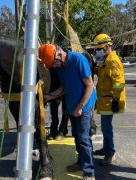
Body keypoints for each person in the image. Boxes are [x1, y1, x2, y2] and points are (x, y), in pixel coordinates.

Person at [39, 44, 97, 180]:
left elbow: (90, 85)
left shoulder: (78, 60)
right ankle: (80, 163)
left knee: (84, 139)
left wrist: (80, 107)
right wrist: (49, 96)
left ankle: (89, 173)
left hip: (85, 105)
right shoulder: (60, 67)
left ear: (59, 55)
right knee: (77, 136)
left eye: (54, 64)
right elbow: (64, 88)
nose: (55, 67)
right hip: (73, 106)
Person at [92, 34, 126, 166]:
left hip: (111, 101)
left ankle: (110, 153)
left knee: (107, 128)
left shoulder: (113, 61)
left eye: (99, 49)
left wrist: (116, 100)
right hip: (105, 100)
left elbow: (119, 83)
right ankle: (106, 149)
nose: (97, 51)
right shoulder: (106, 60)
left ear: (106, 47)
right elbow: (103, 75)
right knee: (105, 127)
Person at [47, 68, 69, 141]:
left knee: (65, 109)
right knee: (53, 109)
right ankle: (53, 129)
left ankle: (63, 129)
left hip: (66, 83)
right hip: (54, 84)